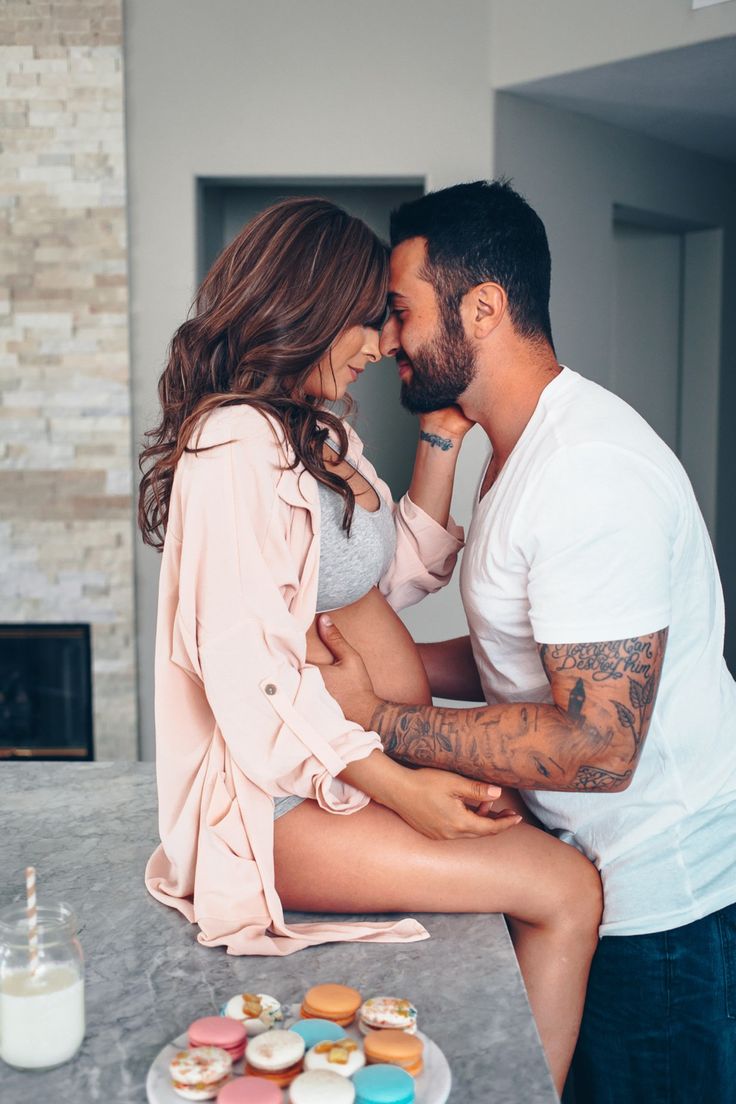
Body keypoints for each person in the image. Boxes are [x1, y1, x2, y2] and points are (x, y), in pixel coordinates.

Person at [138, 196, 602, 1094]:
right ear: (307, 309)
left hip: (350, 763)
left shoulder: (318, 430)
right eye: (370, 316)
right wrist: (402, 786)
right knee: (565, 890)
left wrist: (439, 443)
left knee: (534, 865)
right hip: (273, 802)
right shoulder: (232, 443)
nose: (386, 340)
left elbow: (387, 582)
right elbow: (246, 679)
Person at [315, 180, 736, 1104]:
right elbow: (528, 649)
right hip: (597, 875)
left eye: (401, 311)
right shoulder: (519, 452)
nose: (387, 341)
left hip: (662, 913)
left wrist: (378, 720)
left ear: (485, 308)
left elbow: (596, 745)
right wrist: (383, 671)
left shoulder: (589, 474)